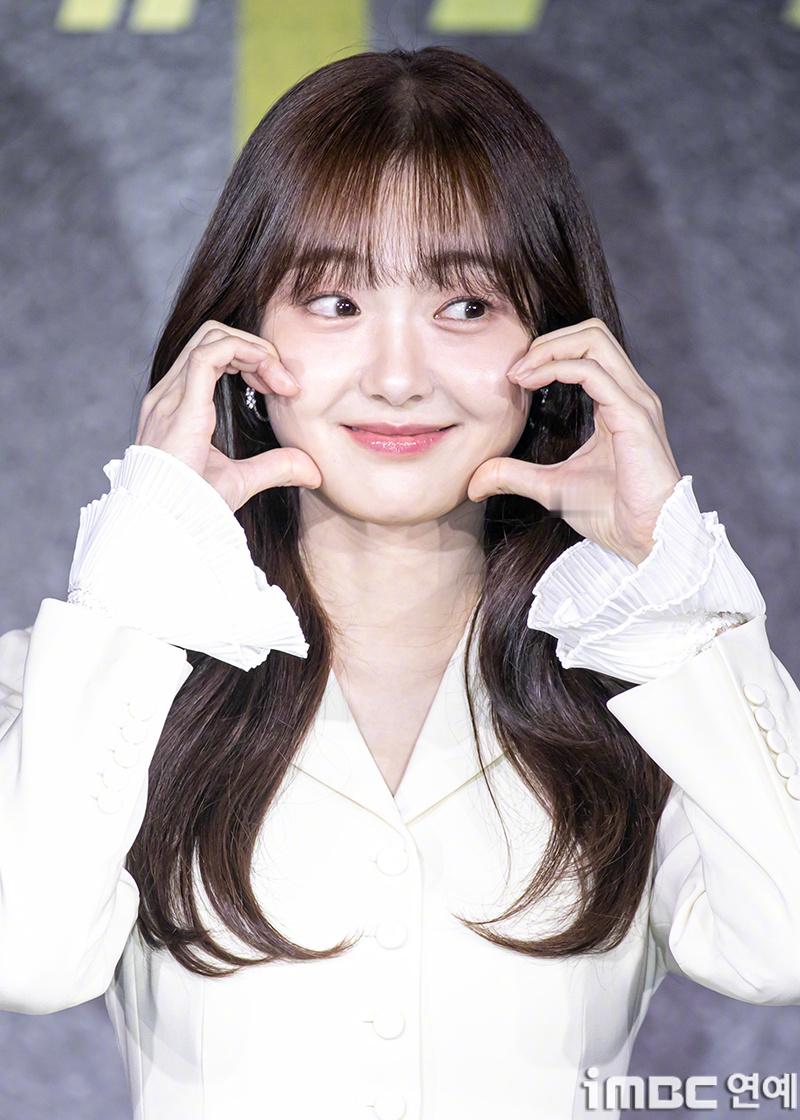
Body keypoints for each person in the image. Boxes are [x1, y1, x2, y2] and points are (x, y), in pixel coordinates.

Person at [1, 44, 799, 1120]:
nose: (396, 376)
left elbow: (783, 946)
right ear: (238, 346)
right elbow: (28, 958)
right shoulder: (100, 676)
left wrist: (665, 572)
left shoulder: (644, 685)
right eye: (334, 302)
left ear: (554, 347)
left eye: (464, 307)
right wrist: (140, 575)